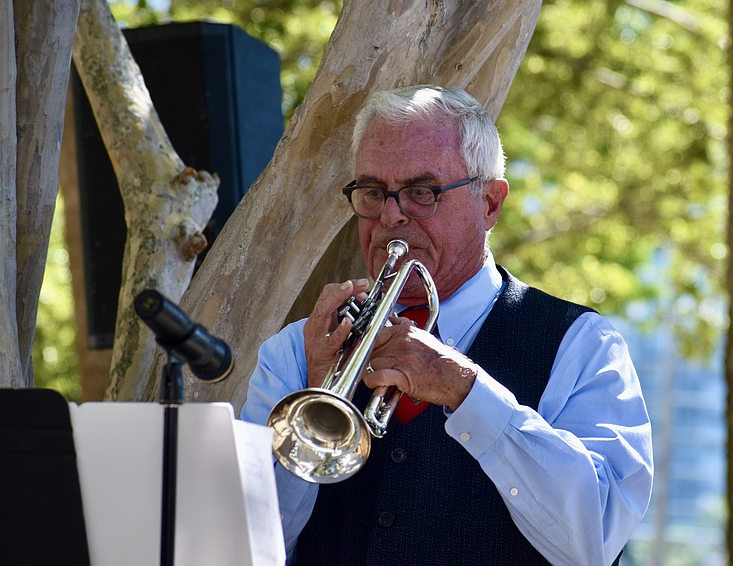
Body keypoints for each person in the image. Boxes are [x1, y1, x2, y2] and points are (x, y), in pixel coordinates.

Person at [241, 85, 653, 565]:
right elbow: (245, 548)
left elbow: (596, 538)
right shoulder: (297, 349)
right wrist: (314, 393)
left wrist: (466, 389)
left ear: (491, 204)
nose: (391, 216)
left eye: (421, 193)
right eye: (373, 192)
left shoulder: (581, 345)